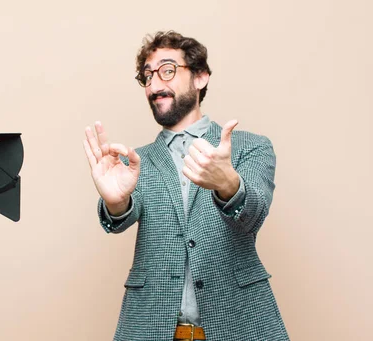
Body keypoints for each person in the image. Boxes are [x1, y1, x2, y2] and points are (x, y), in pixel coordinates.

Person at [83, 30, 289, 341]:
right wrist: (115, 202)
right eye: (147, 76)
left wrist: (229, 185)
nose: (155, 85)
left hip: (241, 325)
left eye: (167, 71)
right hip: (151, 328)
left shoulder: (249, 147)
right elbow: (122, 215)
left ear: (200, 77)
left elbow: (254, 213)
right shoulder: (135, 162)